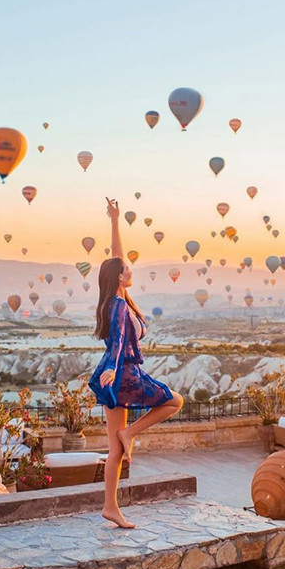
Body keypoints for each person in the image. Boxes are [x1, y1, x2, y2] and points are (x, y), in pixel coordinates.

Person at [89, 198, 183, 528]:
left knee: (114, 449)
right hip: (123, 373)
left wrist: (115, 221)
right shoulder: (118, 305)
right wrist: (113, 368)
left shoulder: (118, 298)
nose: (131, 271)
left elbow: (117, 257)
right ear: (118, 278)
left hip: (114, 377)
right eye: (126, 270)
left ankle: (110, 507)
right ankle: (131, 433)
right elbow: (117, 341)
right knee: (175, 401)